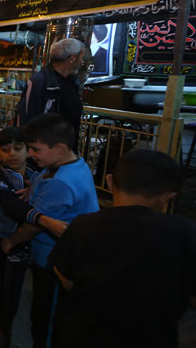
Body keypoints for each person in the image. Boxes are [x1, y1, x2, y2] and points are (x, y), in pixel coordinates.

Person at [49, 149, 196, 348]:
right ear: (167, 196)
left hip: (84, 336)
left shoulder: (83, 225)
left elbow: (65, 276)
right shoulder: (184, 232)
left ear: (109, 181)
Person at [0, 113, 98, 348]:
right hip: (66, 255)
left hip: (56, 261)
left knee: (46, 319)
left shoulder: (60, 182)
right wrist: (33, 190)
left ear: (60, 148)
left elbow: (34, 226)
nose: (30, 155)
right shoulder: (73, 164)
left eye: (36, 149)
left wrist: (11, 240)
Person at [0, 127, 67, 339]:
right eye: (5, 150)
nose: (12, 154)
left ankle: (4, 321)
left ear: (28, 150)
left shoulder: (36, 172)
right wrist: (43, 219)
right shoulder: (0, 179)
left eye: (18, 148)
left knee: (14, 282)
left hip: (20, 239)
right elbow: (12, 206)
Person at [16, 38, 85, 147]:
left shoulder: (73, 82)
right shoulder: (39, 82)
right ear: (72, 58)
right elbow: (27, 120)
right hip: (46, 151)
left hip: (66, 149)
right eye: (81, 58)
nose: (82, 62)